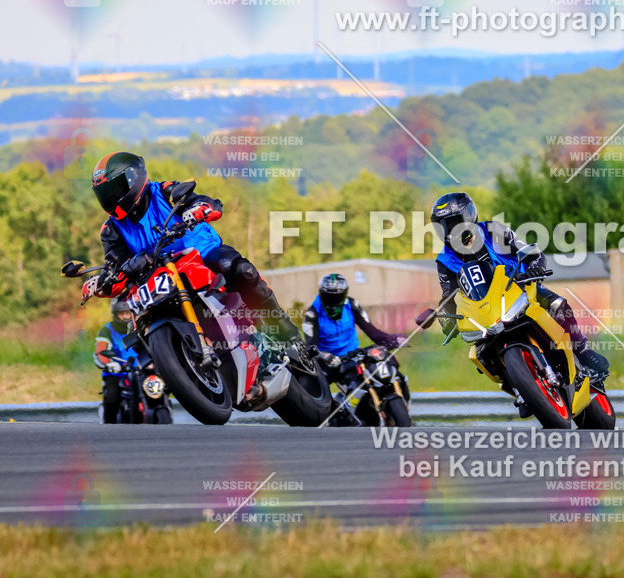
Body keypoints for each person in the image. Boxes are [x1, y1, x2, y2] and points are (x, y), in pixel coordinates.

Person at [83, 152, 306, 399]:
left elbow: (206, 203)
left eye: (115, 189)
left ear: (134, 179)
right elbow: (115, 263)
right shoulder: (111, 228)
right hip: (157, 275)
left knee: (240, 270)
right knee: (135, 323)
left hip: (200, 252)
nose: (111, 198)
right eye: (105, 193)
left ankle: (286, 334)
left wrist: (198, 209)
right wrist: (101, 281)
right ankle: (180, 365)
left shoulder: (165, 191)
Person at [428, 192, 609, 398]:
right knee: (480, 354)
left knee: (558, 305)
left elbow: (530, 251)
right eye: (442, 225)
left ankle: (583, 351)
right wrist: (446, 319)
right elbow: (449, 295)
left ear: (469, 216)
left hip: (519, 287)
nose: (449, 230)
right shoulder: (444, 260)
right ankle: (518, 385)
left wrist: (534, 267)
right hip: (484, 310)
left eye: (453, 222)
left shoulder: (492, 230)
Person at [303, 273, 406, 425]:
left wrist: (393, 339)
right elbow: (311, 345)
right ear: (321, 294)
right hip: (326, 361)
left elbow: (372, 331)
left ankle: (392, 403)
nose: (333, 301)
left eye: (337, 296)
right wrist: (323, 356)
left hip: (352, 357)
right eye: (328, 296)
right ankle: (332, 417)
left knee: (382, 368)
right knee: (314, 388)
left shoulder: (352, 305)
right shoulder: (312, 314)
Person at [94, 297, 137, 423]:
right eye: (121, 314)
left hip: (139, 371)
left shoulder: (139, 326)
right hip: (117, 372)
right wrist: (110, 364)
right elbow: (100, 352)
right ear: (115, 314)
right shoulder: (106, 330)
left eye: (128, 313)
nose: (125, 317)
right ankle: (108, 423)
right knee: (112, 398)